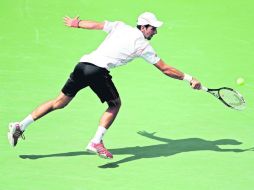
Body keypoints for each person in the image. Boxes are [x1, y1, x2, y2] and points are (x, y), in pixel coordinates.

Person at [8, 12, 201, 159]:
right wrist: (189, 78)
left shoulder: (120, 26)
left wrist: (77, 24)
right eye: (153, 28)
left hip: (82, 66)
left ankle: (20, 125)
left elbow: (96, 25)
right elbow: (165, 69)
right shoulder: (143, 46)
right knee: (115, 104)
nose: (155, 31)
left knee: (59, 102)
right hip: (98, 71)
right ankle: (96, 141)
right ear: (143, 27)